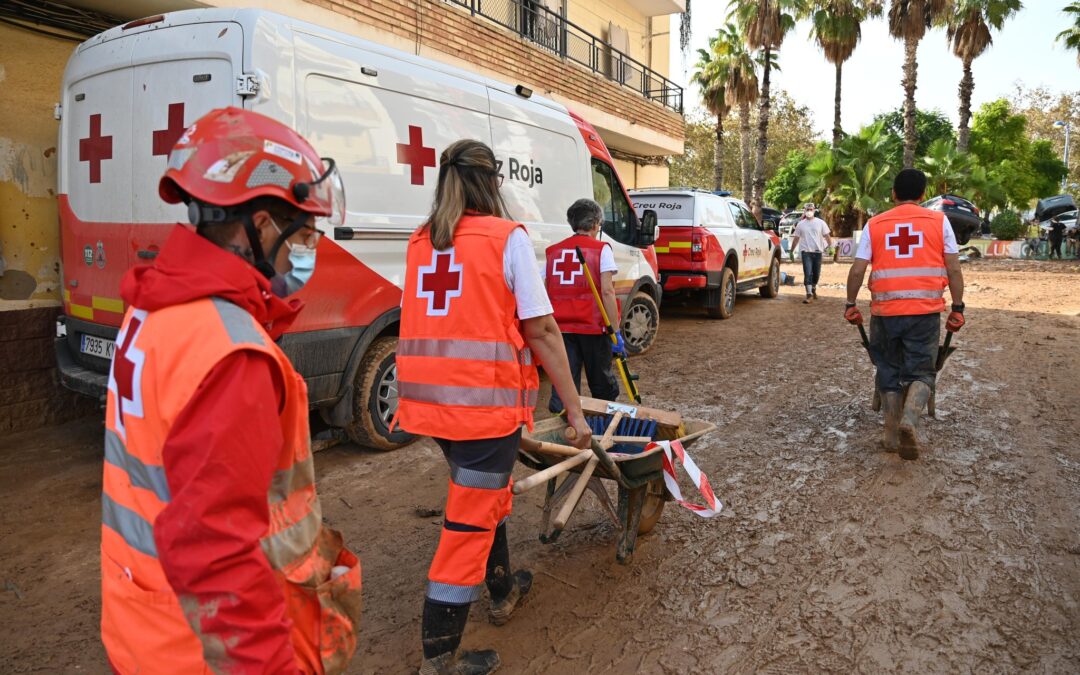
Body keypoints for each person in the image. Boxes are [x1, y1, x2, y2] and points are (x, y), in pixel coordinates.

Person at [99, 107, 361, 674]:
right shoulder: (230, 353)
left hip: (144, 617)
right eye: (306, 233)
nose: (307, 251)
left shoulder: (155, 309)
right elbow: (218, 555)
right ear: (264, 226)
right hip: (201, 651)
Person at [395, 139, 593, 675]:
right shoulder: (506, 239)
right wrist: (574, 413)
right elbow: (544, 332)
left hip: (431, 409)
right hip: (482, 411)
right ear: (494, 182)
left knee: (480, 499)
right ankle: (439, 660)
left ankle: (502, 592)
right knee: (464, 530)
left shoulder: (420, 241)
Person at [844, 168, 965, 461]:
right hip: (924, 311)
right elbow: (953, 267)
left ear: (894, 194)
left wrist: (850, 303)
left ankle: (889, 432)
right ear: (924, 195)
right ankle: (910, 419)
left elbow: (859, 268)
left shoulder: (876, 224)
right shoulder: (939, 221)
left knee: (887, 367)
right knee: (922, 370)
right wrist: (958, 307)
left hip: (886, 311)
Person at [545, 198, 621, 414]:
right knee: (601, 383)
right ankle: (604, 422)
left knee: (564, 381)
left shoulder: (553, 252)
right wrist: (615, 331)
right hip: (594, 328)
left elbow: (543, 288)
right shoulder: (601, 250)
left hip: (561, 330)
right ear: (596, 223)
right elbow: (607, 291)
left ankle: (563, 427)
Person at [790, 202, 832, 303]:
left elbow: (827, 236)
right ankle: (809, 294)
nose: (809, 212)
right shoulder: (800, 224)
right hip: (806, 252)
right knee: (807, 273)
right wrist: (791, 251)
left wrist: (831, 247)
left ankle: (813, 288)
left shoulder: (820, 223)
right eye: (807, 210)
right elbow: (796, 239)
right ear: (804, 211)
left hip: (818, 252)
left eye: (811, 210)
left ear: (814, 210)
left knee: (816, 274)